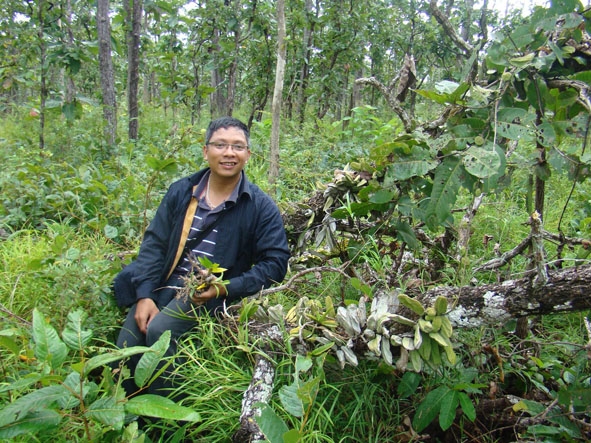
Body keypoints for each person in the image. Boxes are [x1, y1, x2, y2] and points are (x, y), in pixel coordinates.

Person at [113, 117, 290, 398]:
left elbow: (276, 262)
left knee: (161, 330)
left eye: (238, 146)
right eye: (220, 145)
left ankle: (170, 422)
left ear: (248, 155)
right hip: (166, 281)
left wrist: (225, 288)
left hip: (207, 291)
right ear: (206, 151)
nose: (229, 153)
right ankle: (129, 418)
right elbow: (154, 244)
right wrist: (145, 295)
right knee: (125, 349)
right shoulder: (182, 191)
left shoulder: (260, 206)